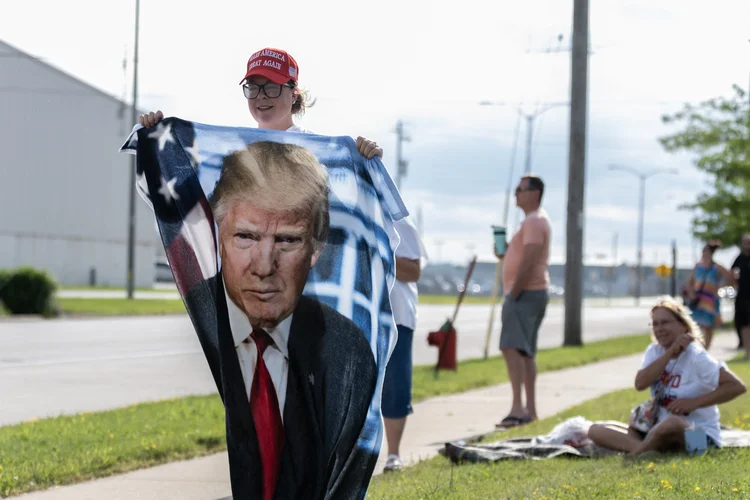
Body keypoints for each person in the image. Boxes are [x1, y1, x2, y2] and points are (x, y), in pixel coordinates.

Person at [196, 141, 378, 499]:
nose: (264, 266)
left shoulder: (346, 349)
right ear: (218, 236)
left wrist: (366, 165)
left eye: (288, 240)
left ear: (317, 246)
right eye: (246, 236)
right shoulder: (197, 308)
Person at [138, 47, 383, 159]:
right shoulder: (234, 151)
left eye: (272, 87)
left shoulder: (319, 151)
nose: (261, 96)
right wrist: (153, 136)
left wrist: (367, 162)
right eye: (253, 87)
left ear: (294, 94)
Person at [587, 297, 746, 456]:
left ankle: (635, 455)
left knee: (672, 423)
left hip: (702, 440)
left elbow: (736, 386)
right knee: (596, 430)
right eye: (655, 324)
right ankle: (644, 450)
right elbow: (640, 384)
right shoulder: (655, 351)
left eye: (665, 322)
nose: (659, 328)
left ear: (683, 326)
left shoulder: (697, 356)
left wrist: (694, 403)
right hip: (657, 432)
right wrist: (670, 354)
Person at [494, 174, 551, 428]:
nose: (515, 193)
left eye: (520, 189)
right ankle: (530, 410)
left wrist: (514, 292)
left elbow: (529, 259)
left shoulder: (535, 220)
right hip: (529, 293)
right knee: (525, 351)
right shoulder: (531, 223)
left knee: (512, 348)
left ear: (535, 193)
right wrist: (505, 252)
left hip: (525, 294)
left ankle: (518, 409)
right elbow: (522, 254)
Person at [381, 216, 428, 472]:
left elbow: (413, 271)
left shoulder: (400, 222)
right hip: (361, 316)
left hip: (398, 316)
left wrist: (380, 252)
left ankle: (393, 454)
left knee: (395, 387)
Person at [685, 240, 734, 350]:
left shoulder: (717, 267)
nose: (704, 254)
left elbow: (730, 278)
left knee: (708, 326)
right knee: (695, 324)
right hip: (698, 299)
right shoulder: (698, 266)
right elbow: (690, 282)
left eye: (706, 251)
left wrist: (720, 287)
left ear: (711, 253)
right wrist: (691, 294)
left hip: (710, 300)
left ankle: (705, 349)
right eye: (703, 251)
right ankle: (696, 347)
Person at [731, 233, 750, 357]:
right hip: (743, 295)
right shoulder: (740, 258)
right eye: (746, 242)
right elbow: (732, 271)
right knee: (743, 324)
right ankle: (747, 351)